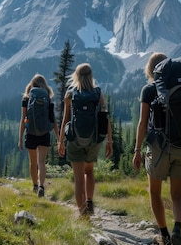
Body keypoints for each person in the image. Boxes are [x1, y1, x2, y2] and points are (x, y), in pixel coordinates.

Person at [132, 52, 181, 245]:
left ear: (151, 69)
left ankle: (165, 236)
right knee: (178, 195)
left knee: (155, 192)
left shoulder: (149, 89)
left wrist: (137, 150)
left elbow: (143, 123)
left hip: (159, 148)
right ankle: (178, 228)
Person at [58, 63, 113, 217]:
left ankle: (83, 215)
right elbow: (105, 118)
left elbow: (65, 119)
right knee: (89, 171)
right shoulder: (98, 93)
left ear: (76, 76)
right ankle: (89, 201)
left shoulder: (70, 94)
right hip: (93, 141)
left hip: (75, 140)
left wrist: (60, 141)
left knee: (78, 179)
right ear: (91, 76)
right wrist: (109, 141)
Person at [19, 74, 59, 197]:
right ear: (44, 85)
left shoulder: (26, 98)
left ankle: (35, 186)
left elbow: (23, 119)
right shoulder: (48, 98)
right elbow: (53, 119)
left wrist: (20, 138)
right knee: (41, 162)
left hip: (30, 133)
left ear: (32, 84)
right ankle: (41, 186)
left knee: (33, 162)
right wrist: (59, 139)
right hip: (44, 134)